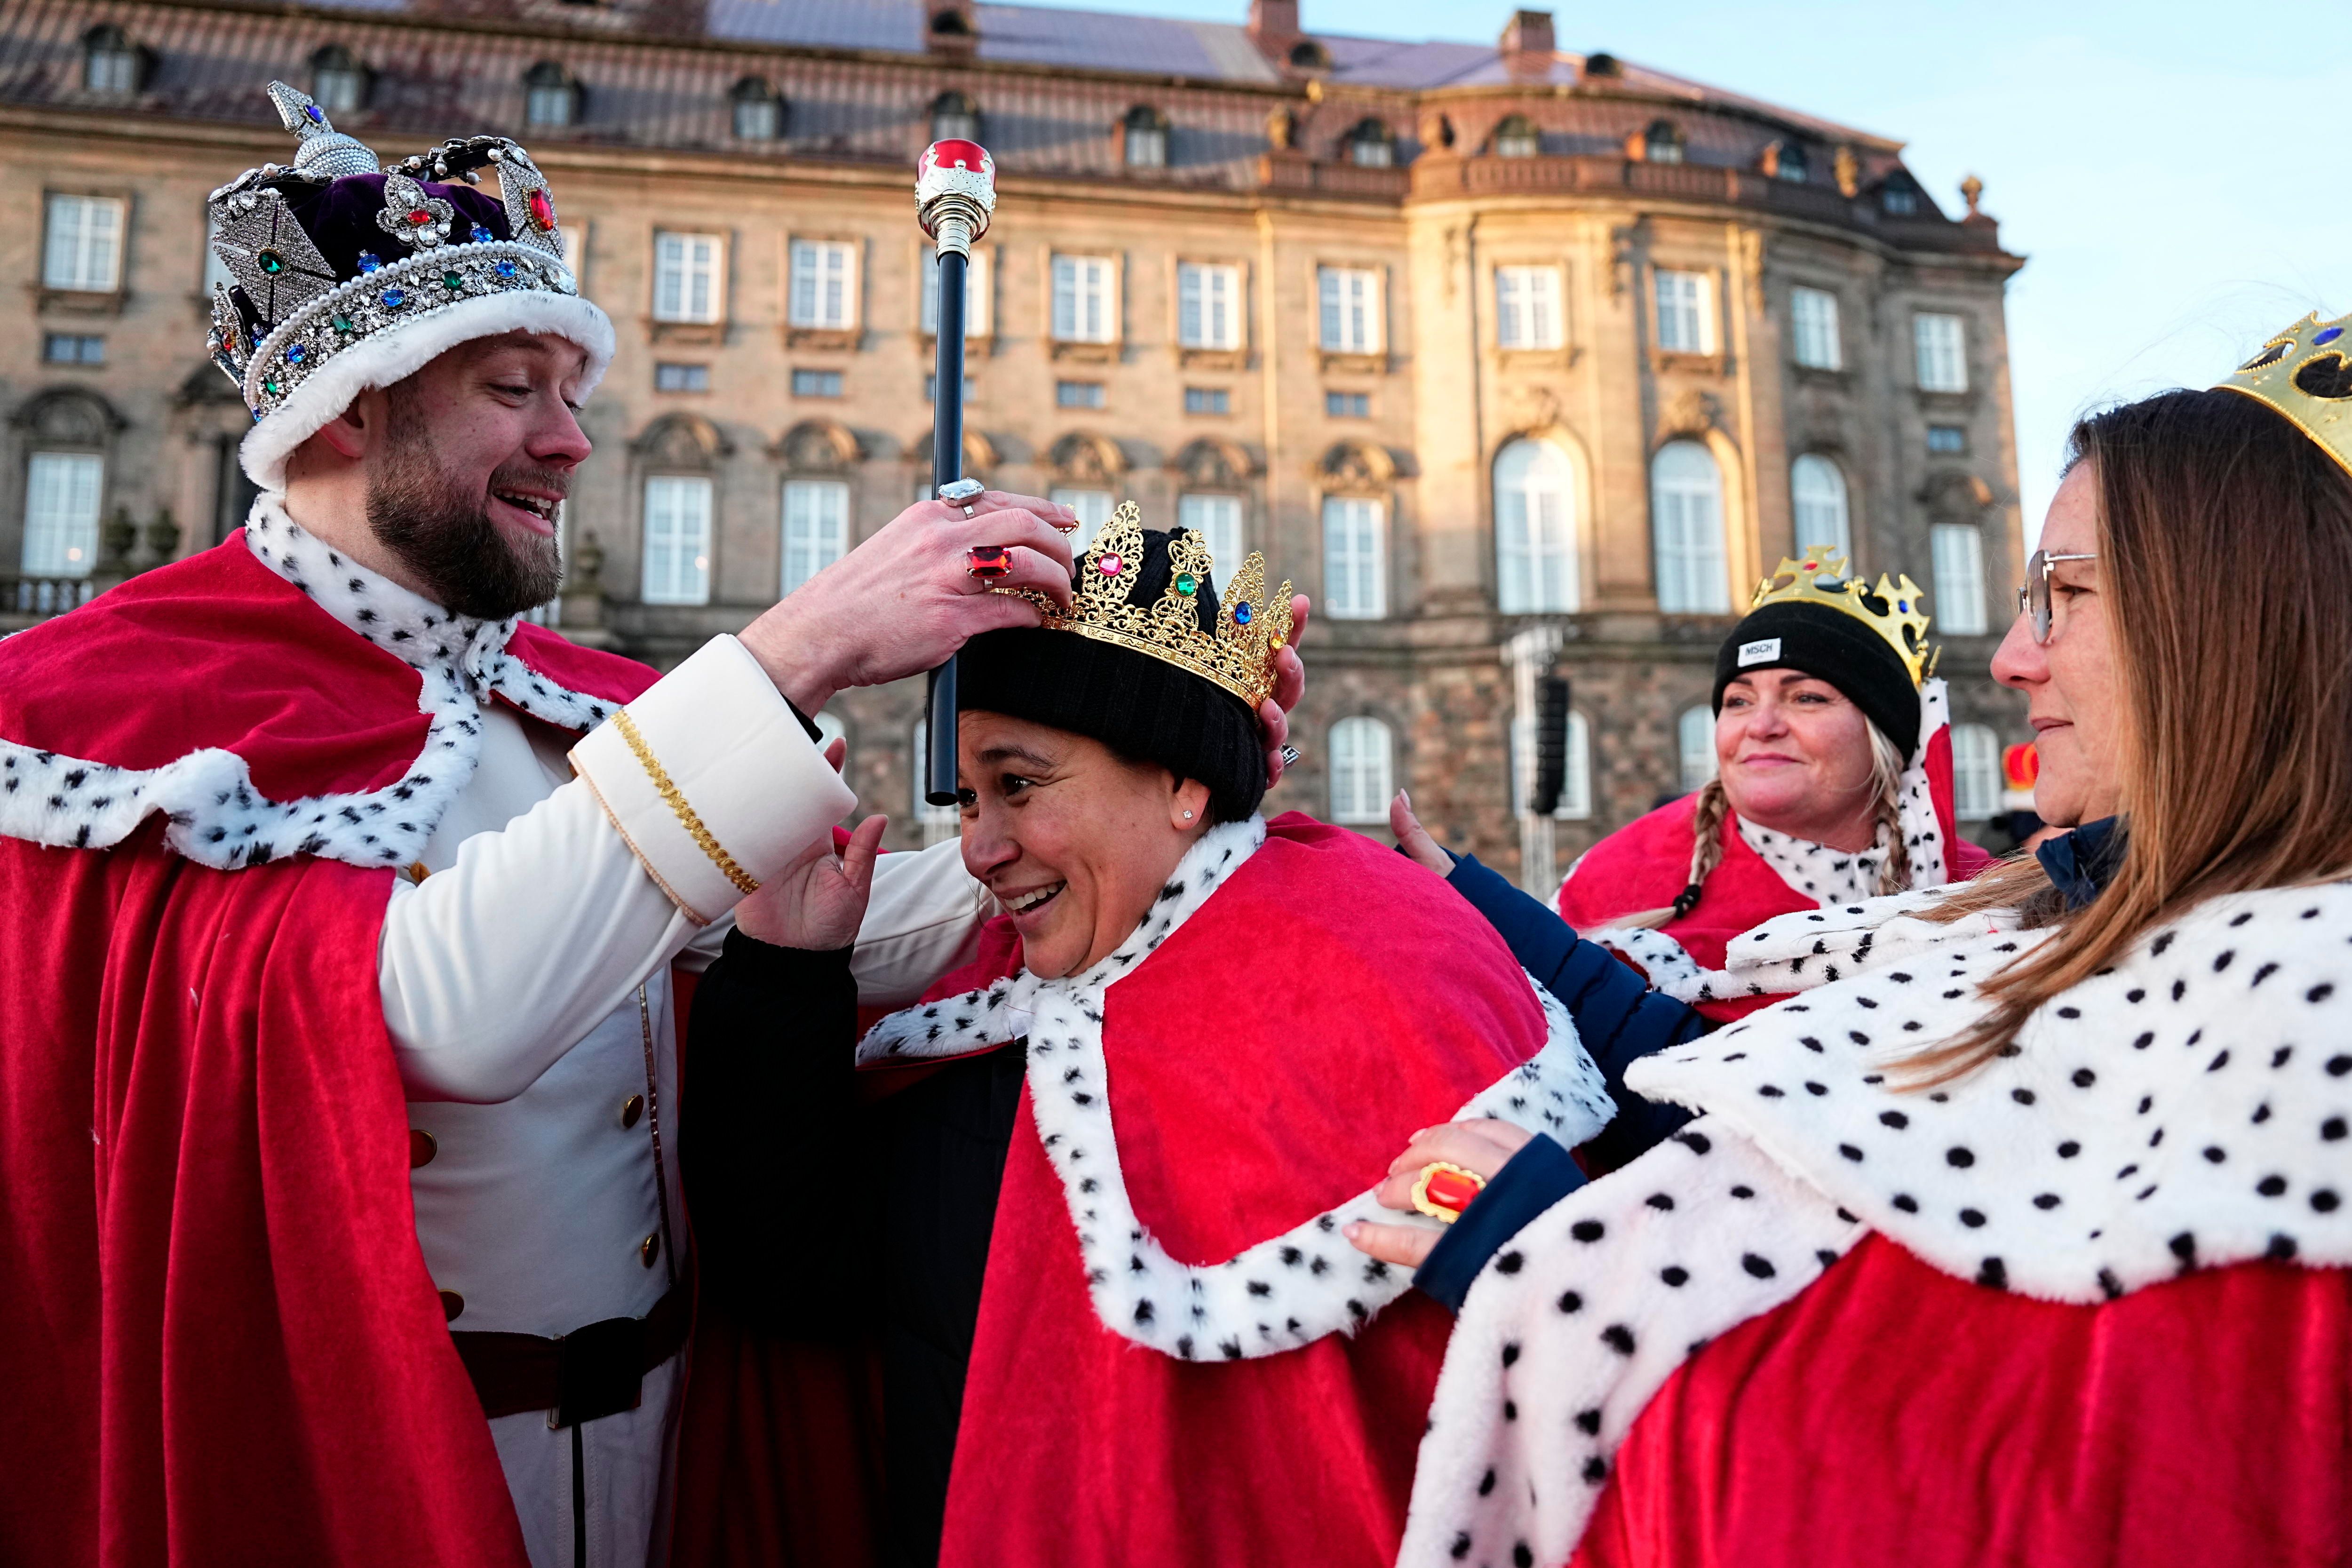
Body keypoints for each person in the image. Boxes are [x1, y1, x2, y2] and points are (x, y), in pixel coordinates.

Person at [0, 84, 1311, 1568]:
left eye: (573, 395)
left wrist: (1148, 777)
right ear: (353, 408)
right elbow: (438, 1015)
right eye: (516, 389)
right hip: (378, 1457)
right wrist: (808, 641)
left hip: (663, 1442)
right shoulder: (122, 711)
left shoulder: (585, 704)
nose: (571, 443)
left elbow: (820, 931)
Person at [1359, 320, 2352, 1568]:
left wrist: (1562, 1273)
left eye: (2068, 593)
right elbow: (1722, 1081)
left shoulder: (2300, 1008)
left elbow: (2007, 1499)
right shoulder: (2049, 908)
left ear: (2244, 620)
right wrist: (1475, 902)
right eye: (1737, 700)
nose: (2012, 658)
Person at [685, 505, 1616, 1568]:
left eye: (1019, 785)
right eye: (970, 799)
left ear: (1182, 782)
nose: (980, 849)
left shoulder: (1375, 974)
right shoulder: (985, 1009)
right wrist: (786, 970)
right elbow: (800, 1281)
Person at [1549, 553, 1993, 1022]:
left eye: (1806, 698)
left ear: (1884, 736)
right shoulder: (1612, 880)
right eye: (1738, 701)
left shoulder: (1982, 894)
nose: (1760, 726)